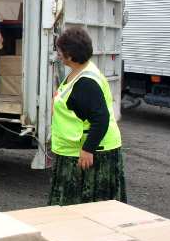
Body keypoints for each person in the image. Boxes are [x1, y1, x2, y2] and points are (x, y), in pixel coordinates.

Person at [47, 26, 126, 206]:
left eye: (60, 51)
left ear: (70, 55)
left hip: (90, 152)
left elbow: (101, 118)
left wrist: (88, 149)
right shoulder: (78, 73)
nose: (59, 54)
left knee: (86, 207)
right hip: (71, 149)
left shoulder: (87, 83)